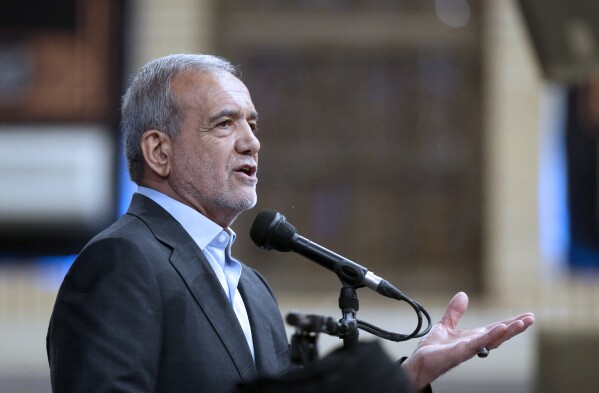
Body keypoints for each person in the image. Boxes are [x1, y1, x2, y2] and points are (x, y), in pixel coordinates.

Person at [46, 53, 535, 393]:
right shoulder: (122, 261)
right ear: (159, 150)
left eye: (252, 125)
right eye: (224, 123)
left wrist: (407, 377)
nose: (251, 143)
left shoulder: (252, 289)